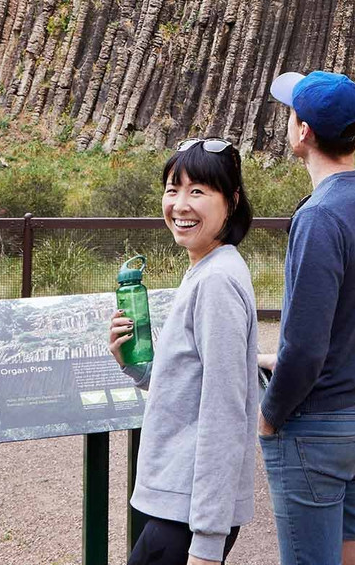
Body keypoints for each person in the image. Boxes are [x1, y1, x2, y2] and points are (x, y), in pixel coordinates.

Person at [258, 70, 355, 565]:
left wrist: (270, 416)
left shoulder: (319, 216)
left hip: (316, 428)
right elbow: (353, 315)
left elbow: (307, 346)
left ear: (304, 131)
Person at [107, 138, 258, 565]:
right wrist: (134, 368)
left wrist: (207, 544)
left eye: (198, 191)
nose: (180, 204)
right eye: (173, 189)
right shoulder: (206, 268)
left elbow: (225, 412)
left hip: (190, 514)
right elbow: (188, 388)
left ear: (231, 201)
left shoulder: (215, 283)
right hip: (180, 502)